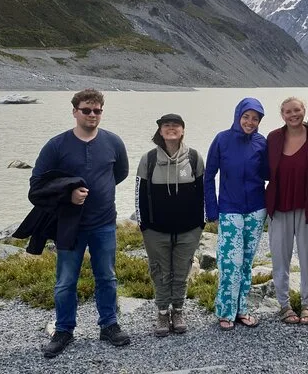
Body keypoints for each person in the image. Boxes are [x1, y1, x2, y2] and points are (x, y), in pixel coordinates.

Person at [30, 89, 130, 358]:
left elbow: (119, 173)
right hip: (69, 225)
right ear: (74, 111)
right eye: (86, 110)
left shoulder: (113, 142)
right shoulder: (56, 145)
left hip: (104, 223)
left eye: (97, 110)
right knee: (65, 281)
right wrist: (68, 195)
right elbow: (37, 185)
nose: (92, 115)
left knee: (107, 276)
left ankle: (109, 325)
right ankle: (64, 330)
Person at [135, 113, 205, 337]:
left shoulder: (194, 157)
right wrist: (143, 225)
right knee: (160, 272)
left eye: (176, 125)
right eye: (166, 125)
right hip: (155, 230)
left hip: (189, 229)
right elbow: (139, 194)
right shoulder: (148, 159)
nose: (171, 128)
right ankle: (163, 312)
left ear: (183, 130)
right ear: (160, 131)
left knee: (181, 272)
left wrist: (201, 223)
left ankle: (179, 311)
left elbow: (203, 193)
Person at [204, 98, 268, 331]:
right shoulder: (222, 139)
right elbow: (208, 176)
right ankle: (225, 311)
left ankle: (241, 310)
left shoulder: (261, 142)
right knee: (231, 263)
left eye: (255, 118)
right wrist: (212, 210)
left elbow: (269, 174)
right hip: (230, 209)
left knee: (246, 264)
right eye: (246, 117)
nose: (250, 122)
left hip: (256, 210)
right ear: (238, 116)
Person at [265, 97, 308, 325]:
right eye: (288, 111)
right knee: (280, 258)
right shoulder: (273, 138)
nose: (293, 115)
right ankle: (284, 305)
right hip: (279, 207)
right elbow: (263, 169)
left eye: (296, 110)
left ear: (304, 110)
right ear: (282, 115)